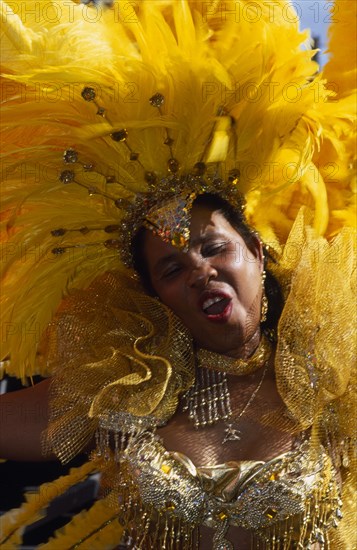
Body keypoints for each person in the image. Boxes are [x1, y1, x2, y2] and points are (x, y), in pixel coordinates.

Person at [0, 0, 355, 548]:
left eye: (215, 248)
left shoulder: (335, 372)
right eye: (172, 268)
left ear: (257, 253)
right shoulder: (126, 389)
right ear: (155, 294)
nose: (200, 272)